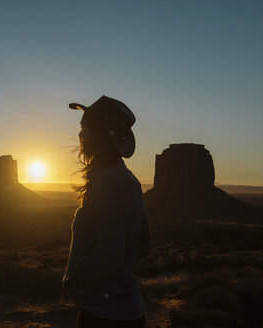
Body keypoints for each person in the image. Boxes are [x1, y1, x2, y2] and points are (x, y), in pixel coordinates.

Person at [62, 96, 152, 328]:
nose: (81, 135)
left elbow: (111, 251)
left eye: (85, 128)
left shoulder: (104, 182)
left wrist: (76, 281)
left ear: (101, 135)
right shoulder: (130, 180)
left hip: (103, 314)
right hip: (130, 308)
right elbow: (144, 245)